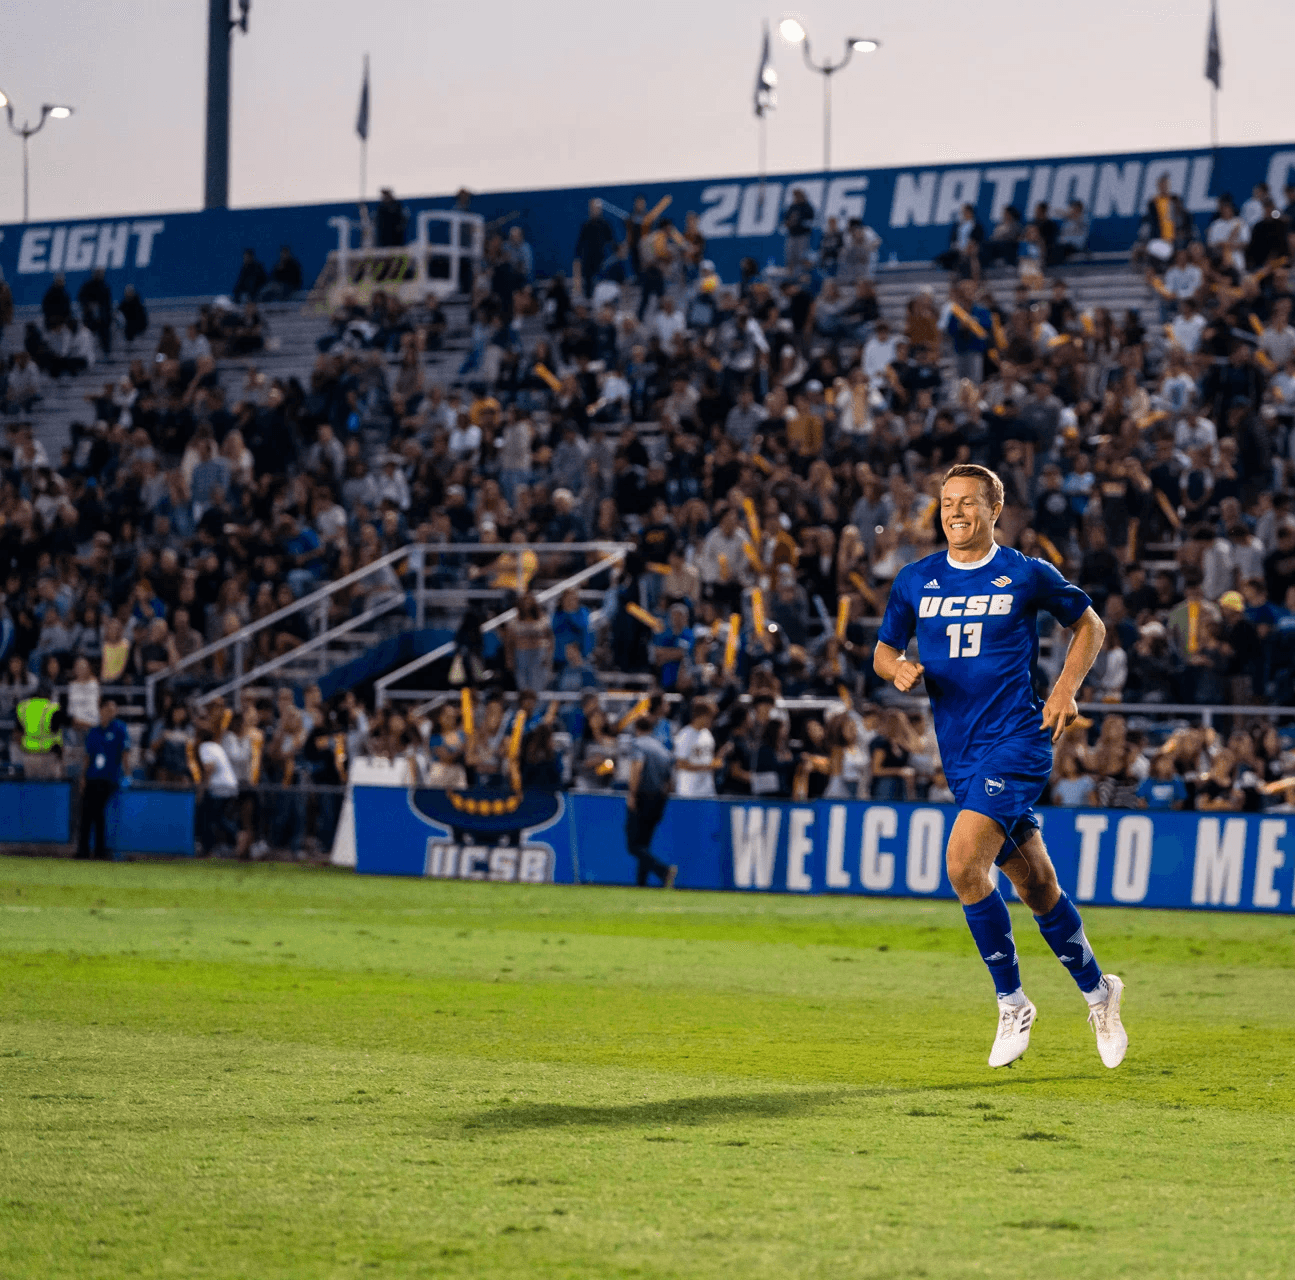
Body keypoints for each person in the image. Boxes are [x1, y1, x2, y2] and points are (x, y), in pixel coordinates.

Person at [873, 464, 1127, 1071]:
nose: (955, 511)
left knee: (963, 864)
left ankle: (1013, 1003)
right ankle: (1100, 992)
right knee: (1037, 886)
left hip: (1017, 740)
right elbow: (883, 650)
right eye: (947, 502)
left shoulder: (1024, 572)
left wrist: (1065, 689)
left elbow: (1088, 624)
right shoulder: (916, 580)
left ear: (995, 509)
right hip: (959, 753)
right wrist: (896, 670)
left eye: (968, 502)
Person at [625, 715, 677, 888]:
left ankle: (663, 870)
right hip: (659, 798)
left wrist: (632, 794)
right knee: (645, 844)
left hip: (642, 795)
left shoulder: (638, 745)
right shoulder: (662, 749)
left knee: (633, 845)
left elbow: (637, 768)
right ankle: (642, 883)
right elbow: (670, 781)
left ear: (637, 729)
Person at [77, 699, 130, 861]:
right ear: (101, 710)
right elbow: (87, 756)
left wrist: (127, 774)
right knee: (87, 813)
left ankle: (100, 850)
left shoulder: (120, 728)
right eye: (108, 708)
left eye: (114, 709)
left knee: (98, 811)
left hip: (109, 777)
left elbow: (125, 753)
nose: (111, 712)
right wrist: (83, 776)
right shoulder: (94, 731)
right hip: (93, 776)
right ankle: (83, 850)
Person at [673, 698, 720, 798]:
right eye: (710, 717)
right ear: (701, 716)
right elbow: (681, 764)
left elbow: (707, 760)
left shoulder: (707, 734)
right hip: (689, 792)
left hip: (707, 791)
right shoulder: (685, 735)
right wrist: (708, 767)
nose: (712, 721)